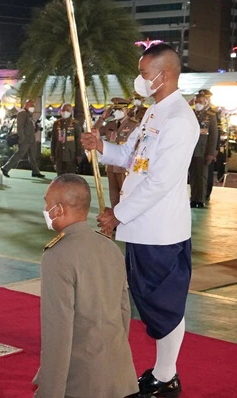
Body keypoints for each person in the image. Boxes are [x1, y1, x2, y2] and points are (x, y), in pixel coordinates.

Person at [81, 43, 197, 397]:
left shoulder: (179, 120)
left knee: (163, 305)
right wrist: (102, 148)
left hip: (160, 230)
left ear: (165, 75)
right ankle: (164, 374)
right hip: (142, 228)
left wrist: (117, 214)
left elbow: (160, 182)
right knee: (150, 302)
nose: (140, 79)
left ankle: (166, 376)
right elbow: (133, 158)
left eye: (145, 74)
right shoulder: (154, 113)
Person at [32, 175, 138, 398]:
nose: (45, 209)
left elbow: (58, 333)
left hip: (83, 385)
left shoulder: (57, 256)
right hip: (121, 379)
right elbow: (124, 312)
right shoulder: (111, 248)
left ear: (59, 210)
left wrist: (49, 393)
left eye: (47, 204)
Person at [93, 97, 139, 208]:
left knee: (125, 196)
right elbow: (94, 132)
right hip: (111, 166)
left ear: (127, 110)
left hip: (125, 167)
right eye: (116, 109)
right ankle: (115, 222)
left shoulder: (134, 125)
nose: (117, 112)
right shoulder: (110, 124)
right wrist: (102, 119)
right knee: (114, 198)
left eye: (120, 109)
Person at [188, 92, 218, 208]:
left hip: (203, 151)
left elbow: (213, 136)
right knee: (193, 176)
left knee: (202, 176)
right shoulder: (190, 114)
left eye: (200, 102)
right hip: (191, 150)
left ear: (205, 103)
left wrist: (211, 153)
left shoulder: (210, 116)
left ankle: (200, 199)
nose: (197, 104)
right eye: (196, 102)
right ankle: (193, 197)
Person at [2, 100, 44, 178]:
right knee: (19, 154)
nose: (33, 107)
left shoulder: (29, 115)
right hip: (25, 139)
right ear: (26, 105)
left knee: (32, 156)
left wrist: (37, 127)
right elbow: (20, 127)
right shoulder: (22, 113)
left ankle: (36, 171)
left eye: (33, 106)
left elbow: (30, 128)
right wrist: (21, 138)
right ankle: (5, 168)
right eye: (31, 105)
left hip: (31, 138)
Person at [50, 104, 82, 176]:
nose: (65, 112)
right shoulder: (57, 123)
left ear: (71, 112)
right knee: (60, 176)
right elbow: (54, 140)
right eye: (63, 110)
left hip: (71, 155)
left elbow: (78, 140)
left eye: (67, 110)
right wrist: (52, 153)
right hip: (59, 154)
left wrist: (79, 154)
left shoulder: (75, 124)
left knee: (70, 176)